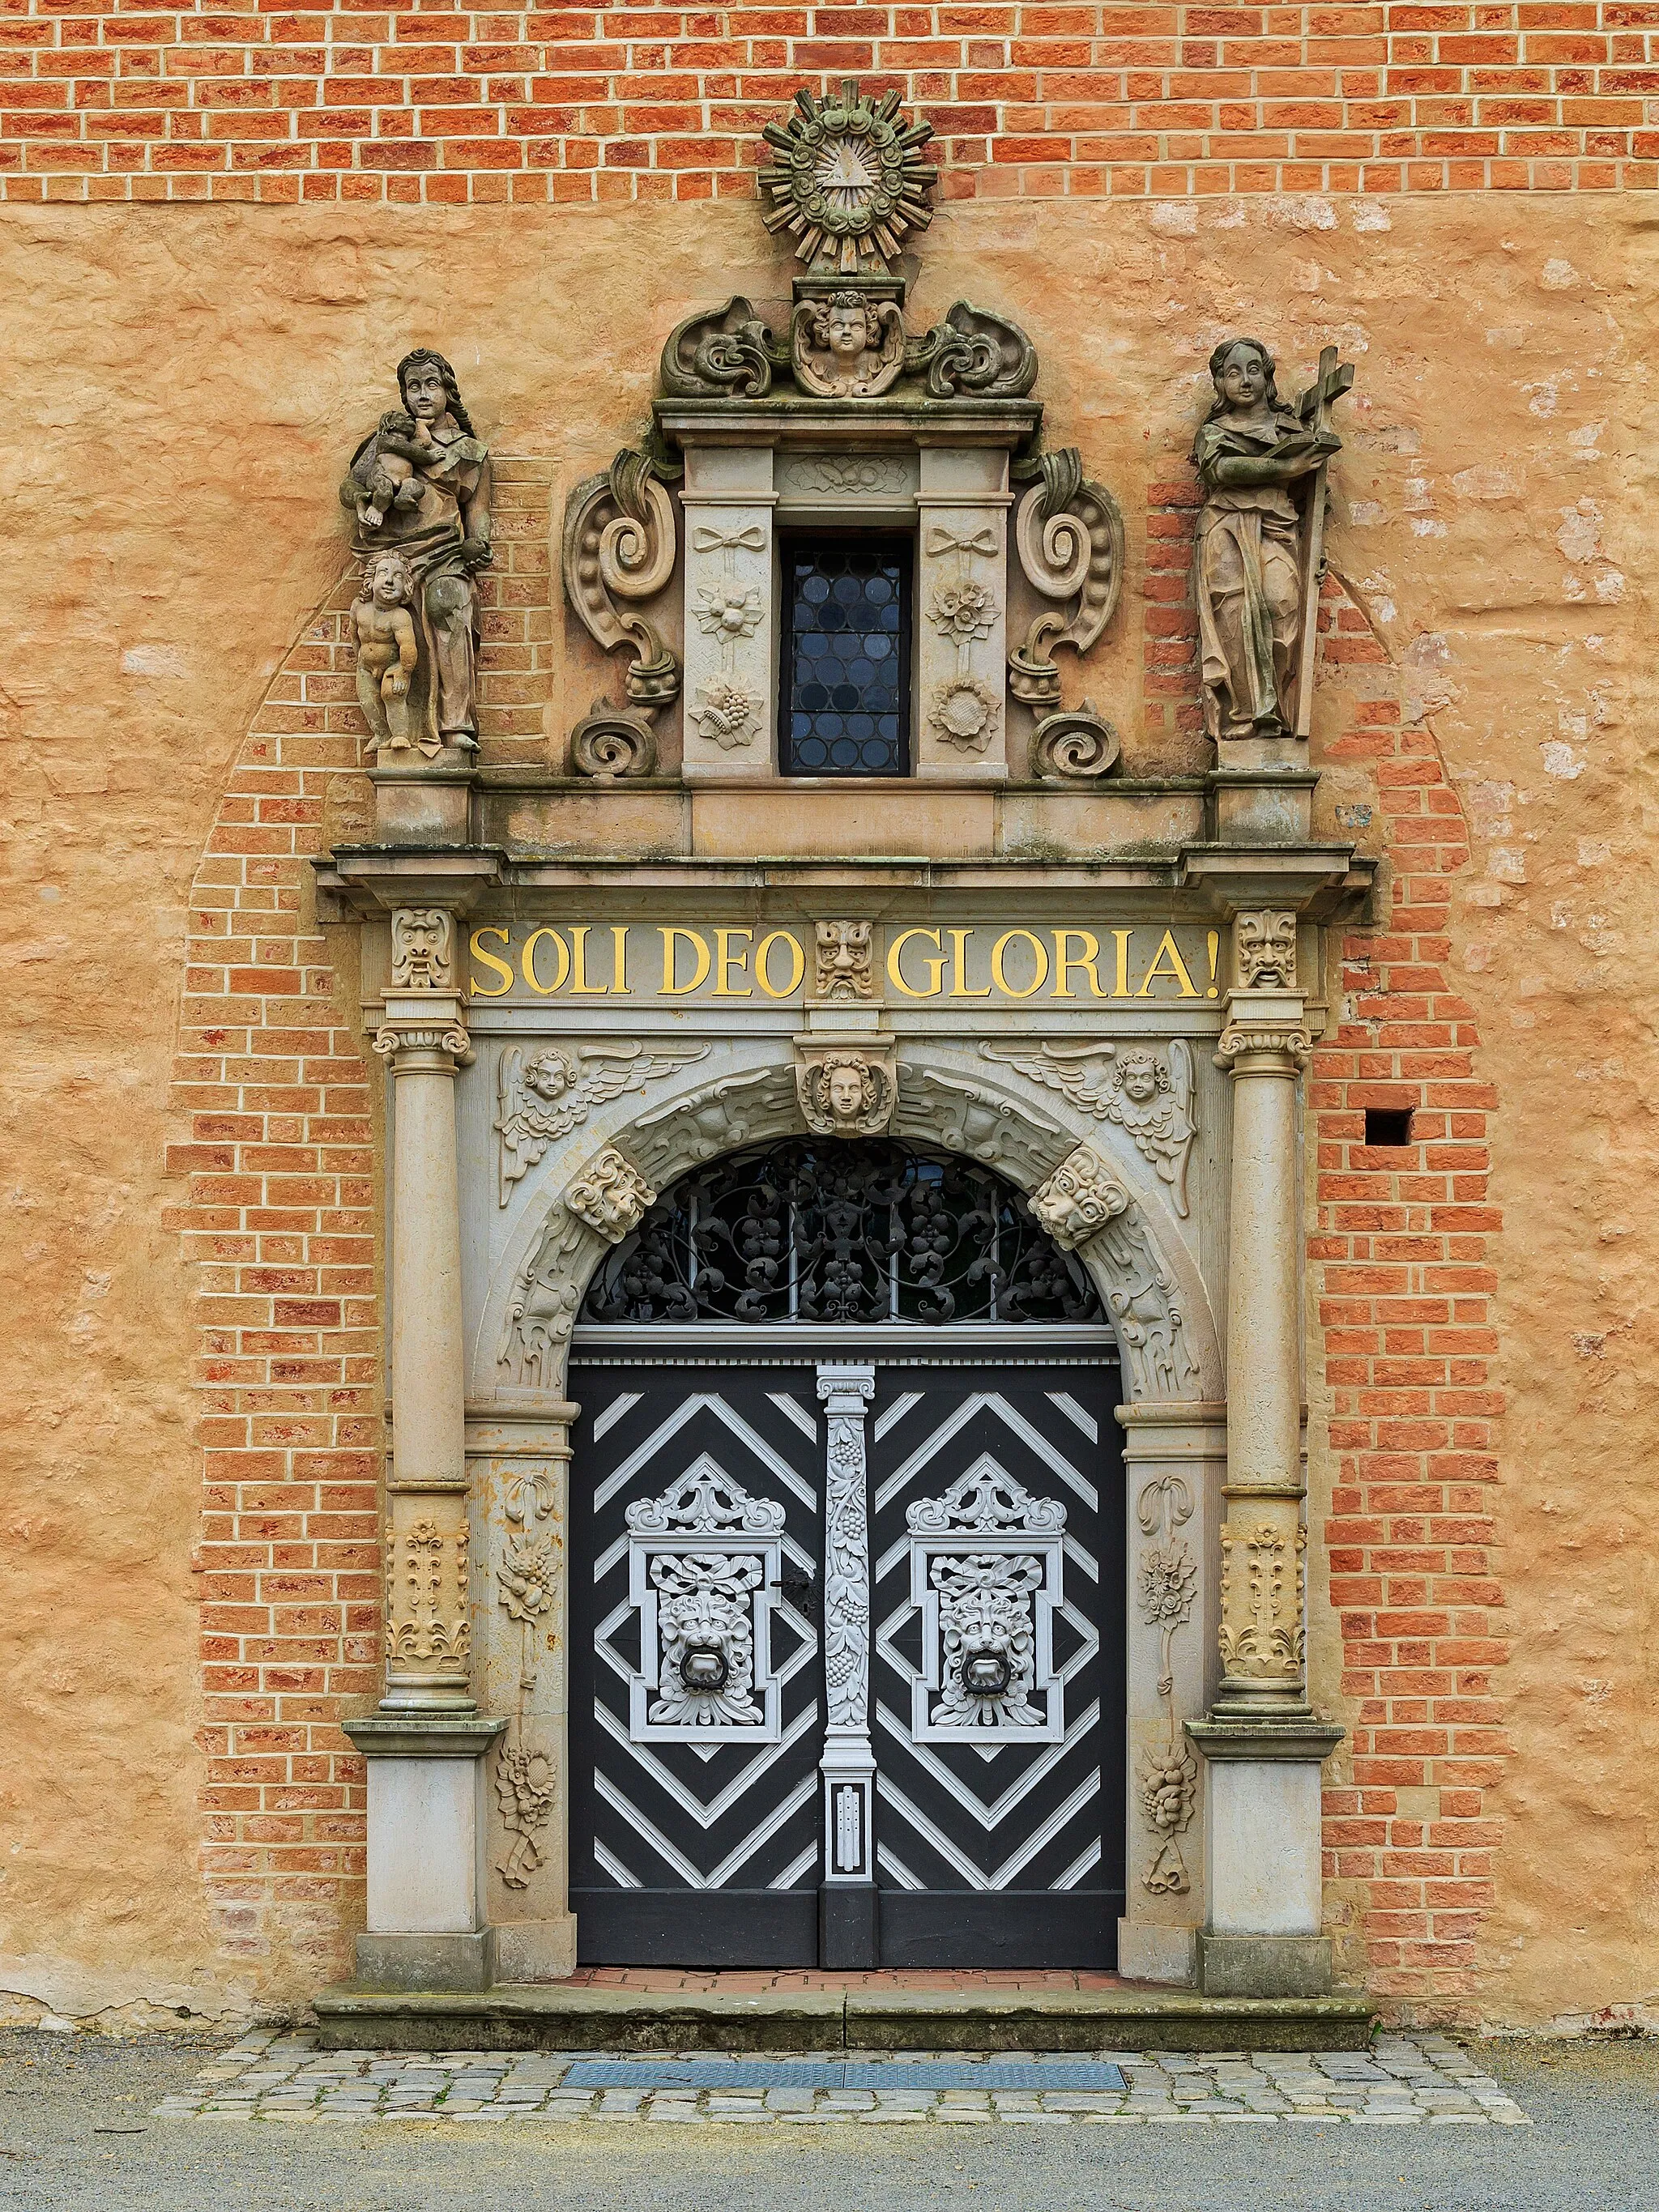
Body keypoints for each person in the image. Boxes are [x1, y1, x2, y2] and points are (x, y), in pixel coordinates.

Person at [339, 349, 493, 751]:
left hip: (444, 549)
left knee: (447, 604)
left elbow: (477, 512)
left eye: (432, 384)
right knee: (384, 628)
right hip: (391, 554)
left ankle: (455, 726)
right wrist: (367, 500)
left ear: (447, 391)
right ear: (404, 394)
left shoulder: (469, 451)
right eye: (413, 386)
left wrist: (478, 543)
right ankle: (395, 730)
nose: (422, 394)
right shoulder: (386, 441)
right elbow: (349, 488)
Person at [1191, 337, 1339, 741]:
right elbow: (1220, 471)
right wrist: (1286, 466)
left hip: (1278, 526)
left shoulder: (1289, 430)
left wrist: (1316, 549)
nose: (1244, 381)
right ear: (1219, 382)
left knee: (1281, 603)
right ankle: (1246, 714)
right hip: (1226, 527)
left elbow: (1315, 494)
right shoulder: (1213, 432)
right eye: (1233, 372)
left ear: (1268, 377)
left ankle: (1276, 703)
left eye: (1253, 370)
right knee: (1235, 615)